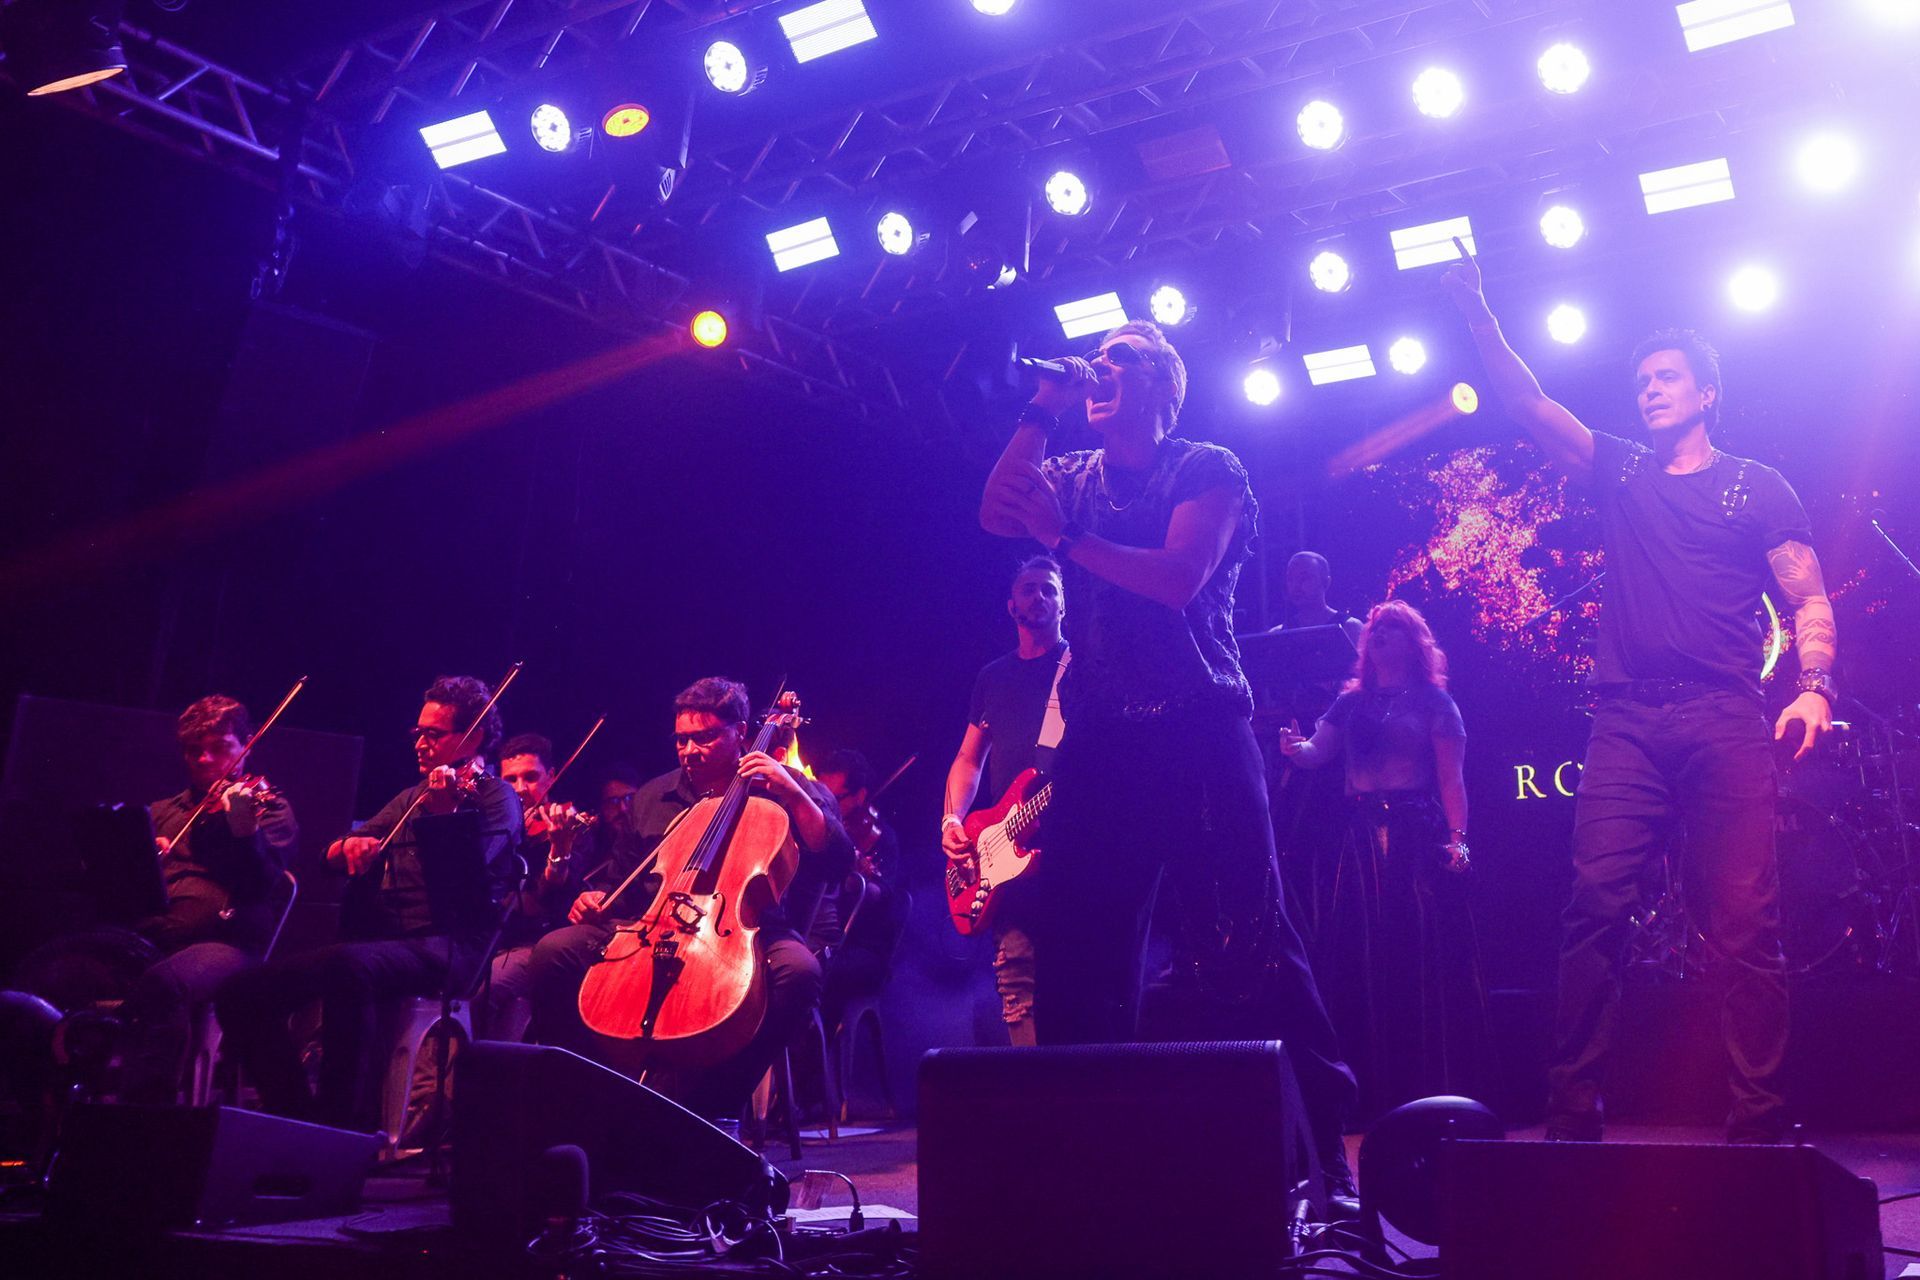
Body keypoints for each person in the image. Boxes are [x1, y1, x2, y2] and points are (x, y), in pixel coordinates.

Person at [1443, 240, 1837, 1145]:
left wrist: (1814, 686)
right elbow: (1529, 403)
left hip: (1726, 717)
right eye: (1643, 379)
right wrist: (1477, 310)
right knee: (1595, 910)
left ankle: (1762, 1121)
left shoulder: (1756, 486)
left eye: (1668, 377)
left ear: (1705, 392)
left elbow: (1808, 595)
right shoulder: (1620, 470)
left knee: (1744, 922)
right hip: (1626, 722)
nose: (1650, 389)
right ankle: (1571, 1111)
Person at [979, 318, 1357, 1199]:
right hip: (1104, 739)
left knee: (1248, 939)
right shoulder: (1073, 472)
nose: (1099, 369)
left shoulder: (1206, 467)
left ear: (1162, 385)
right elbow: (997, 508)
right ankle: (1094, 1154)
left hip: (1199, 731)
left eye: (1118, 359)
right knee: (1078, 945)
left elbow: (1178, 575)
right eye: (1096, 360)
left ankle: (1321, 1148)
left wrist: (1066, 543)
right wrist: (1041, 409)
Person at [523, 678, 853, 1128]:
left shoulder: (782, 784)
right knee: (553, 952)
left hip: (750, 928)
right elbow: (623, 882)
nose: (690, 750)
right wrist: (595, 900)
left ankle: (714, 1112)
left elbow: (837, 859)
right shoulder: (653, 797)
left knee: (800, 973)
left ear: (740, 732)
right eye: (682, 740)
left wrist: (793, 793)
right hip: (653, 924)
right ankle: (594, 1091)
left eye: (706, 737)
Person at [216, 675, 522, 1131]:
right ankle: (295, 1115)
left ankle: (344, 1128)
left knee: (349, 968)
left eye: (432, 734)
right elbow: (336, 850)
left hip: (450, 946)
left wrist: (445, 818)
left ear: (473, 737)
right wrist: (347, 848)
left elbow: (466, 881)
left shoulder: (497, 798)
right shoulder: (411, 796)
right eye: (417, 732)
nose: (419, 743)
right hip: (386, 942)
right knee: (242, 992)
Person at [6, 696, 296, 1104]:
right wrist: (141, 860)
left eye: (220, 747)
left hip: (227, 943)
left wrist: (244, 829)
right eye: (194, 750)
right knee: (46, 969)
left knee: (165, 984)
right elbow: (118, 892)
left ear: (247, 745)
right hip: (149, 938)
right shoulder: (161, 812)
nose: (204, 759)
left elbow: (261, 885)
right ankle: (43, 1107)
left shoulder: (269, 809)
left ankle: (144, 1113)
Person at [1280, 601, 1490, 1121]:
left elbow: (1451, 780)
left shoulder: (1436, 702)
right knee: (1360, 952)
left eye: (1394, 630)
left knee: (1412, 953)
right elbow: (1317, 754)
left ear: (1414, 643)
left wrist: (1459, 840)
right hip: (1359, 837)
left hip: (1415, 836)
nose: (1381, 637)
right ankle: (1360, 1089)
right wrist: (1294, 748)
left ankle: (1421, 1087)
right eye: (1376, 630)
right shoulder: (1349, 705)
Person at [940, 554, 1066, 1046]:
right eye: (1030, 588)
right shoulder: (992, 677)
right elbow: (968, 760)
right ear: (1011, 605)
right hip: (1004, 841)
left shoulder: (1083, 669)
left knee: (1073, 968)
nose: (1040, 596)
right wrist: (952, 819)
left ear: (1064, 605)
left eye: (1051, 589)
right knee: (1014, 971)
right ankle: (1032, 1093)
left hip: (1067, 838)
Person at [485, 732, 590, 1042]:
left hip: (538, 944)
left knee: (483, 993)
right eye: (510, 779)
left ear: (552, 777)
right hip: (491, 942)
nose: (520, 789)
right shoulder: (494, 828)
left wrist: (559, 848)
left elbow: (549, 896)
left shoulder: (572, 827)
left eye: (530, 777)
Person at [813, 749, 908, 1040]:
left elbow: (883, 896)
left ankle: (814, 1067)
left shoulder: (882, 837)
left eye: (836, 799)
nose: (826, 806)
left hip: (863, 950)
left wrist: (855, 877)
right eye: (820, 795)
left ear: (860, 796)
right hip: (821, 938)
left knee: (818, 973)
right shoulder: (819, 830)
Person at [1274, 551, 1365, 648]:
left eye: (1304, 578)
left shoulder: (1350, 628)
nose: (1295, 585)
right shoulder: (1277, 634)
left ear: (1326, 582)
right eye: (1290, 578)